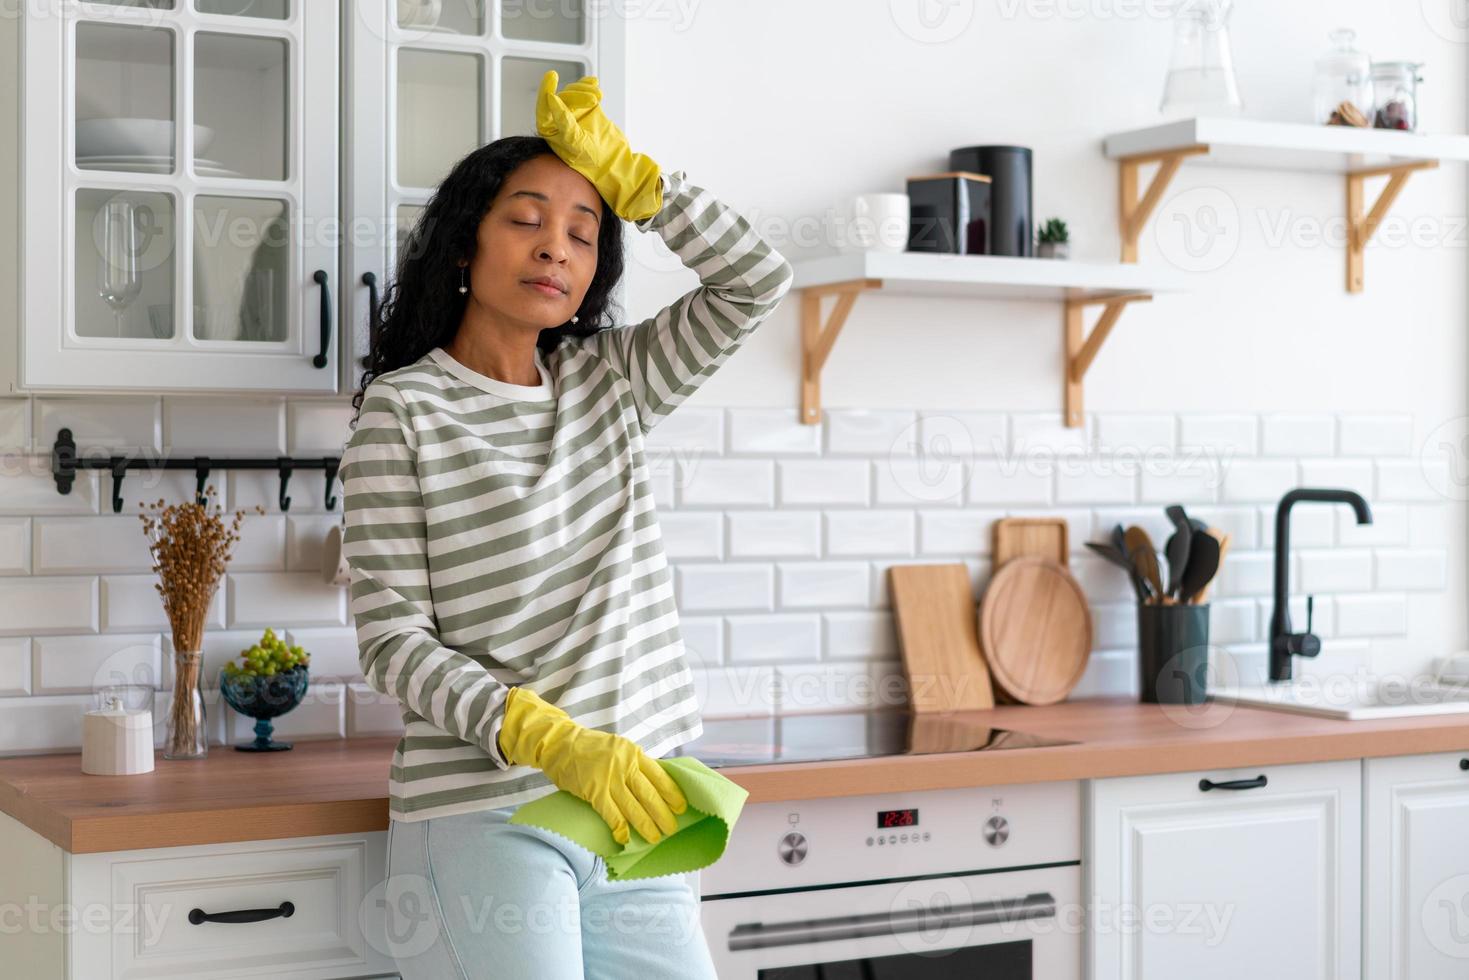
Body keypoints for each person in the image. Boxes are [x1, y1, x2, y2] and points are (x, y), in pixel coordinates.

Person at [338, 69, 794, 979]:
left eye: (582, 233)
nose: (555, 247)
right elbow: (393, 641)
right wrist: (545, 736)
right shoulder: (406, 409)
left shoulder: (609, 383)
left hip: (634, 808)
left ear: (591, 276)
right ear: (464, 244)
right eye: (525, 219)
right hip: (486, 813)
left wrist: (642, 183)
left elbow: (756, 282)